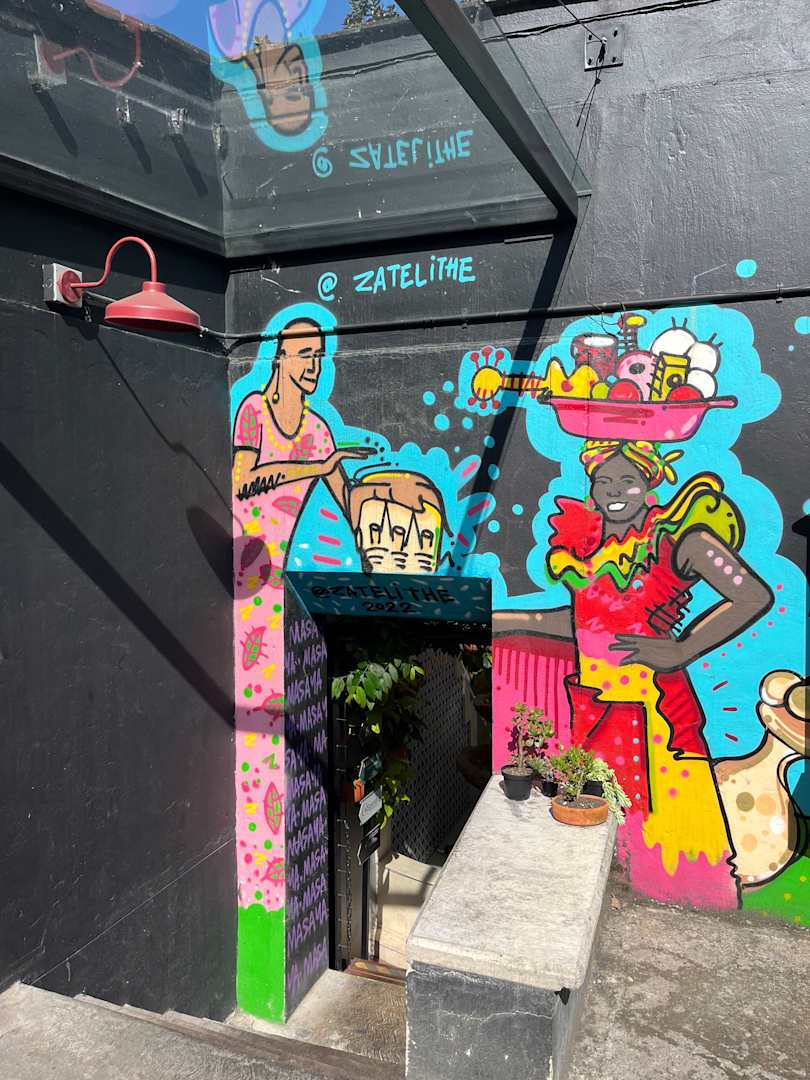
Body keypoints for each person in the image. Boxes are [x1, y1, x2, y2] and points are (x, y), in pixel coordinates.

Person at [495, 438, 773, 900]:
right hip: (598, 707)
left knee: (669, 823)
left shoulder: (681, 540)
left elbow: (752, 595)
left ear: (649, 483)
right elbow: (584, 623)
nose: (613, 490)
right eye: (603, 480)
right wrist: (500, 619)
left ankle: (690, 898)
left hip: (658, 717)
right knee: (608, 816)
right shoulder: (588, 550)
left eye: (628, 479)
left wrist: (683, 649)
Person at [232, 317, 372, 556]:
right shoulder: (254, 409)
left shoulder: (317, 430)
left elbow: (348, 501)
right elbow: (243, 482)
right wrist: (320, 467)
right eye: (305, 355)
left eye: (319, 356)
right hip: (246, 558)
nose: (314, 367)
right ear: (281, 358)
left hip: (284, 562)